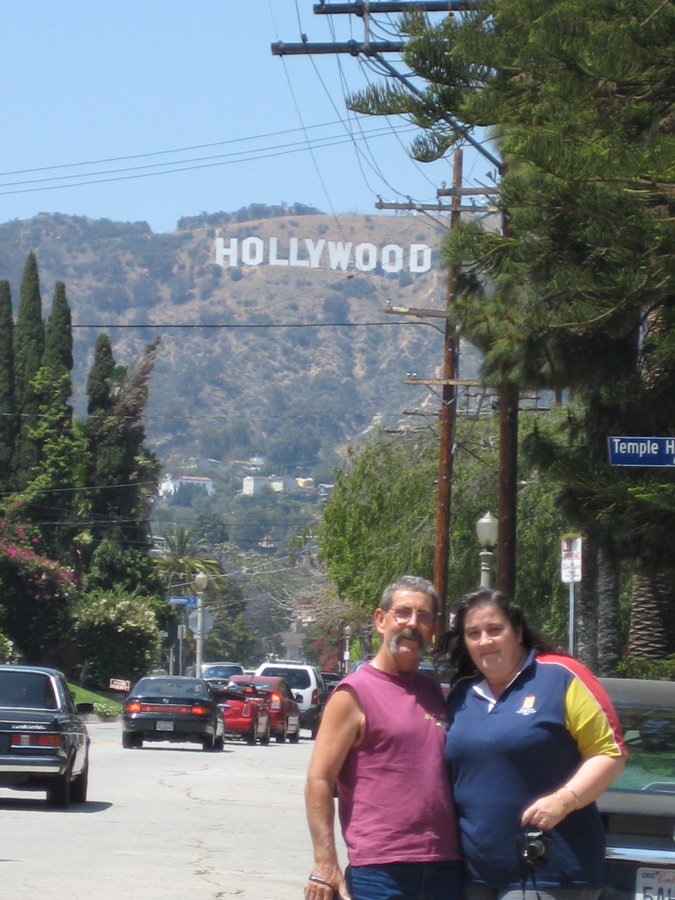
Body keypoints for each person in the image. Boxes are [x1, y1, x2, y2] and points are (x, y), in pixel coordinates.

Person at [438, 588, 627, 900]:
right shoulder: (462, 694)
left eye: (495, 630)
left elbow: (609, 754)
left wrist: (564, 800)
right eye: (473, 633)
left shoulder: (561, 676)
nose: (485, 641)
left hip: (550, 871)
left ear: (518, 631)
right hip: (474, 873)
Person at [304, 575, 463, 900]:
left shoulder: (433, 691)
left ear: (433, 628)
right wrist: (325, 862)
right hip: (380, 872)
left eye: (424, 616)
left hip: (444, 867)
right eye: (402, 613)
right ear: (381, 620)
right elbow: (319, 779)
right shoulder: (353, 693)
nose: (412, 624)